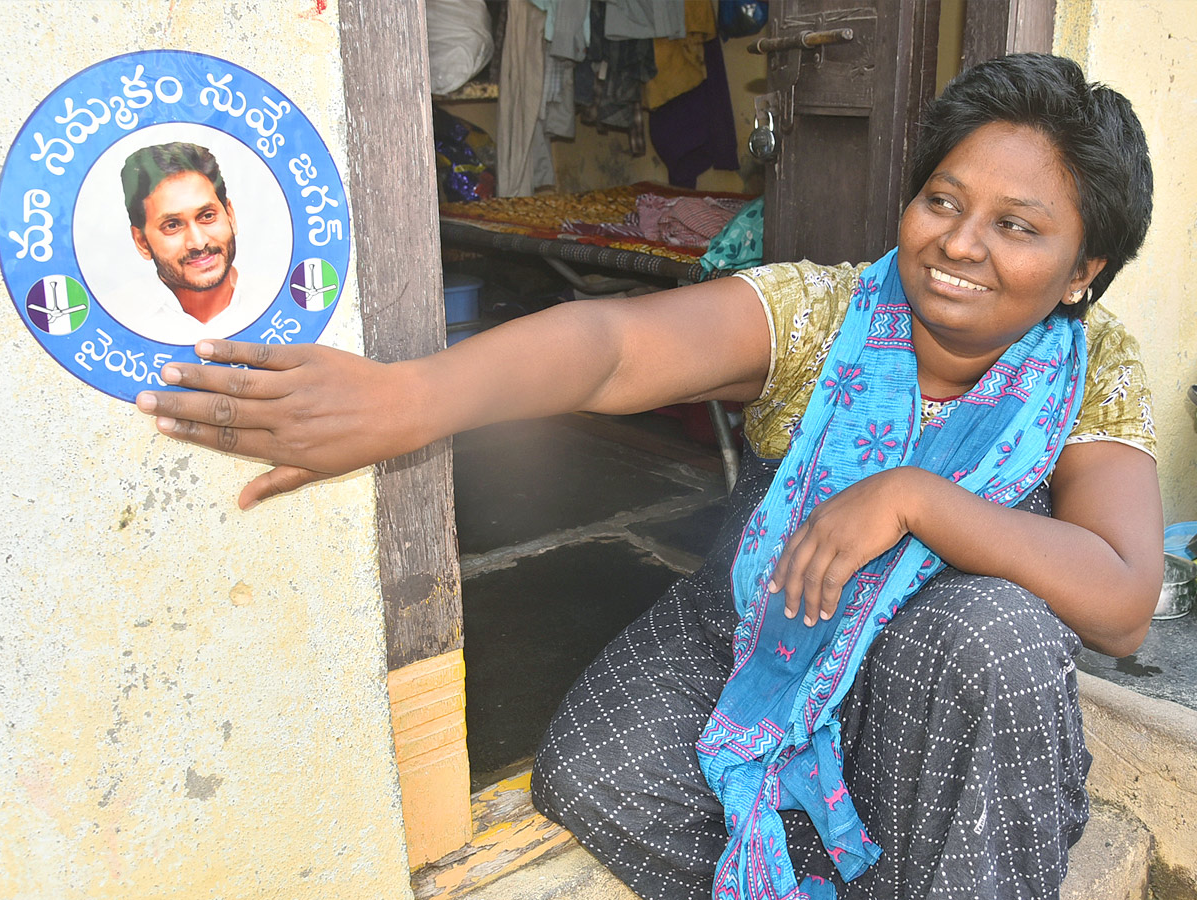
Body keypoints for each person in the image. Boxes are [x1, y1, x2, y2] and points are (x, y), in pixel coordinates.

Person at [135, 54, 1162, 900]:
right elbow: (617, 346)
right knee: (596, 773)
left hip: (935, 680)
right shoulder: (830, 314)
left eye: (1017, 226)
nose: (958, 244)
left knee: (1003, 631)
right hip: (770, 624)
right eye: (943, 199)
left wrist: (913, 498)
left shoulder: (1089, 366)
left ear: (1084, 271)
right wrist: (409, 400)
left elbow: (1118, 603)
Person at [118, 142, 265, 343]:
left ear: (230, 215)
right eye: (172, 225)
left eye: (207, 216)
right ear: (142, 242)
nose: (198, 242)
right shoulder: (119, 320)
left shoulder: (277, 301)